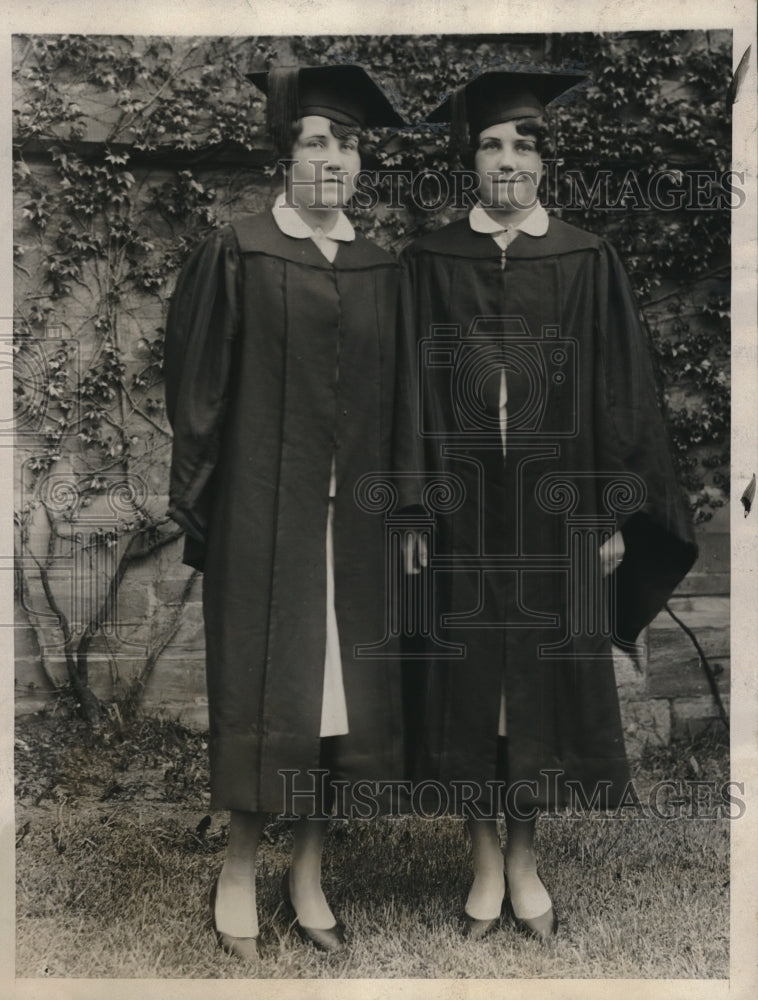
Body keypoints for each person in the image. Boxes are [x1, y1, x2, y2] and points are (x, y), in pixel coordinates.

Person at [402, 70, 697, 940]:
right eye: (491, 144)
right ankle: (482, 857)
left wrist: (610, 510)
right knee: (464, 685)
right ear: (471, 159)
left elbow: (620, 393)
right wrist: (415, 506)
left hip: (550, 508)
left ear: (544, 162)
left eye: (523, 145)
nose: (507, 160)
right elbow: (401, 397)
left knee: (535, 690)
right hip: (460, 509)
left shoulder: (584, 256)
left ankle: (524, 859)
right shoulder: (428, 260)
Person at [164, 63, 417, 962]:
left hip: (354, 531)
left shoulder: (382, 268)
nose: (336, 158)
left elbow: (406, 406)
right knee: (265, 688)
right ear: (287, 156)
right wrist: (203, 508)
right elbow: (196, 390)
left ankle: (308, 873)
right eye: (318, 141)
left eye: (349, 144)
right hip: (263, 519)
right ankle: (238, 866)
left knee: (339, 701)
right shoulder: (238, 250)